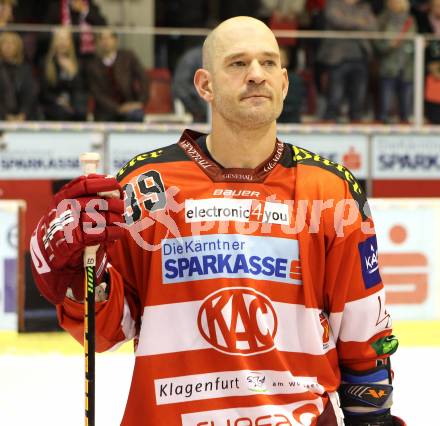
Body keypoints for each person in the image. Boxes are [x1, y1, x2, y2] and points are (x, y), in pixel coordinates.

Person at [30, 16, 405, 425]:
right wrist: (83, 280)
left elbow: (363, 337)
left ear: (284, 83)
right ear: (204, 85)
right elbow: (104, 333)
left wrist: (372, 419)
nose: (256, 75)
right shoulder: (144, 187)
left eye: (267, 63)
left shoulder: (332, 191)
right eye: (238, 64)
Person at [317, 0, 377, 122]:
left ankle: (356, 124)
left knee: (359, 97)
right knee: (335, 95)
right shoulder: (333, 3)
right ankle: (330, 125)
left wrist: (349, 21)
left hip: (360, 56)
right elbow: (336, 21)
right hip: (338, 57)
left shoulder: (364, 6)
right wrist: (360, 22)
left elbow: (373, 25)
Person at [85, 29, 149, 122]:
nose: (105, 41)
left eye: (109, 38)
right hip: (105, 110)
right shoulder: (92, 65)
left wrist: (140, 102)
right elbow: (97, 93)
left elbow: (143, 77)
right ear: (97, 42)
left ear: (115, 40)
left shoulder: (128, 57)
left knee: (136, 115)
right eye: (102, 38)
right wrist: (118, 108)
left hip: (130, 105)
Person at [375, 0, 416, 123]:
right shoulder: (382, 19)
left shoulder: (410, 20)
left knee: (406, 104)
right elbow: (376, 43)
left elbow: (414, 40)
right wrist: (389, 46)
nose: (395, 4)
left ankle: (405, 125)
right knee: (386, 102)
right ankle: (384, 123)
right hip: (389, 65)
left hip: (407, 65)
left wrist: (417, 46)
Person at [39, 27, 88, 121]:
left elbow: (82, 88)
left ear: (70, 43)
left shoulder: (79, 63)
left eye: (65, 39)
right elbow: (43, 91)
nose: (63, 43)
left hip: (75, 104)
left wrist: (73, 73)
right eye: (59, 39)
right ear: (54, 42)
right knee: (62, 113)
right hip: (53, 104)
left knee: (80, 111)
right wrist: (59, 100)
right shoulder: (45, 62)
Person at [0, 32, 38, 121]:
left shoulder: (25, 69)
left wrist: (23, 114)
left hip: (24, 116)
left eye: (12, 43)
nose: (8, 47)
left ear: (18, 47)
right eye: (5, 43)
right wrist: (6, 116)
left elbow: (30, 94)